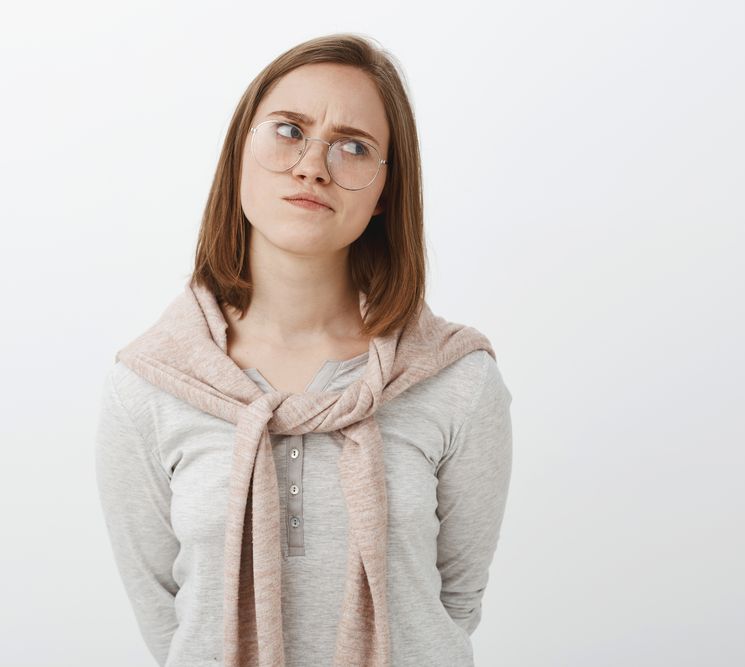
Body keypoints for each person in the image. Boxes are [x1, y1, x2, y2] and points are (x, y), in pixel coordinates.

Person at [94, 33, 513, 667]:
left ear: (383, 193)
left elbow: (455, 605)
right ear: (240, 150)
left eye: (354, 147)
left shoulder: (457, 378)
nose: (313, 166)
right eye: (289, 130)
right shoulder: (149, 385)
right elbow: (168, 620)